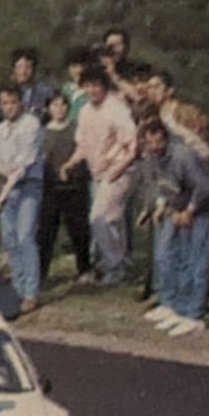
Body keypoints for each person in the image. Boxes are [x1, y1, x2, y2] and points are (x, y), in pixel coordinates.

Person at [134, 119, 209, 337]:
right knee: (177, 257)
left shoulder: (183, 155)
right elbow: (159, 185)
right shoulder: (151, 157)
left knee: (196, 260)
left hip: (205, 204)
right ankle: (176, 306)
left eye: (158, 141)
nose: (155, 147)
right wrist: (156, 208)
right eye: (150, 142)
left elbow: (204, 186)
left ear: (166, 138)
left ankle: (194, 314)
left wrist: (189, 211)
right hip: (179, 206)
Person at [67, 66, 137, 286]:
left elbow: (132, 143)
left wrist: (119, 167)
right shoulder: (85, 111)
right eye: (88, 86)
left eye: (96, 85)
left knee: (99, 217)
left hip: (119, 169)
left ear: (104, 86)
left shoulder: (116, 108)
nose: (92, 90)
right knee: (112, 220)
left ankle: (114, 267)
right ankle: (119, 264)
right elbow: (83, 145)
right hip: (97, 171)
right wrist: (70, 163)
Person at [0, 84, 46, 313]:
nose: (8, 107)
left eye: (12, 102)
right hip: (5, 186)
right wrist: (2, 170)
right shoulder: (0, 129)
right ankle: (18, 287)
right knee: (9, 238)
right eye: (4, 103)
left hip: (28, 185)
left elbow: (24, 162)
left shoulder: (31, 124)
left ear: (20, 103)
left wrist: (7, 169)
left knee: (25, 236)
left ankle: (31, 291)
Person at [37, 92, 93, 285]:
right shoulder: (42, 132)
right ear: (48, 108)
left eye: (62, 105)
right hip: (50, 188)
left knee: (79, 230)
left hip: (74, 186)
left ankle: (84, 269)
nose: (59, 109)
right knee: (46, 231)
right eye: (55, 105)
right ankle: (40, 272)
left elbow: (83, 151)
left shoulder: (76, 129)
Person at [0, 48, 56, 135]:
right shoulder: (5, 91)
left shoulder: (45, 91)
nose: (23, 72)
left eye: (28, 67)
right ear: (14, 68)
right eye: (19, 67)